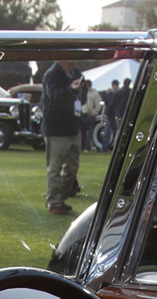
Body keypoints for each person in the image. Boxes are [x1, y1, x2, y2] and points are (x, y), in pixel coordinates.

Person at [42, 60, 81, 216]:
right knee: (55, 168)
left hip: (72, 128)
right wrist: (70, 89)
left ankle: (61, 199)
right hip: (57, 130)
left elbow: (79, 98)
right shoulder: (52, 74)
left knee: (72, 169)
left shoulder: (73, 73)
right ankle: (54, 202)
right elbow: (53, 97)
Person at [81, 79, 103, 151]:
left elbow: (97, 106)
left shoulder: (95, 93)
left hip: (90, 115)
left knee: (89, 132)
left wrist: (94, 112)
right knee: (82, 131)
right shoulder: (82, 92)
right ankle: (82, 146)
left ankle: (87, 147)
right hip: (82, 113)